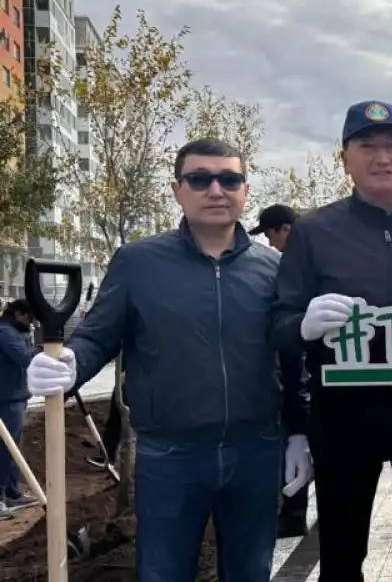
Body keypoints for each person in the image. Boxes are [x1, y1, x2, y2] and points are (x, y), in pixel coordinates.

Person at [25, 138, 313, 582]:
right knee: (163, 572)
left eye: (229, 179)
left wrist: (298, 431)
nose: (216, 190)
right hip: (171, 456)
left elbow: (292, 358)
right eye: (200, 179)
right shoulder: (138, 263)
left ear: (245, 190)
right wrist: (69, 366)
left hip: (256, 451)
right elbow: (98, 336)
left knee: (252, 572)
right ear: (178, 189)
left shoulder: (273, 269)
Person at [271, 100, 392, 581]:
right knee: (340, 549)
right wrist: (304, 325)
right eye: (367, 146)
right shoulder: (314, 231)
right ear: (345, 158)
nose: (382, 156)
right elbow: (279, 324)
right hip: (343, 413)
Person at [249, 202, 311, 538]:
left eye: (272, 236)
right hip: (299, 373)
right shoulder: (293, 262)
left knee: (295, 439)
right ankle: (293, 512)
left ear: (284, 229)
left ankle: (294, 515)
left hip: (302, 372)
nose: (271, 244)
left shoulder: (299, 264)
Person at [0, 299, 36, 518]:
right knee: (5, 449)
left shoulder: (14, 332)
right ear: (17, 314)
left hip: (16, 397)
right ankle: (1, 496)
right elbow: (24, 358)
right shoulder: (5, 332)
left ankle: (13, 492)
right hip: (7, 400)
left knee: (14, 449)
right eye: (29, 318)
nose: (31, 323)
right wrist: (44, 348)